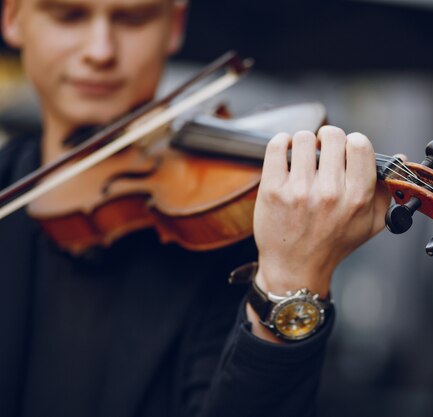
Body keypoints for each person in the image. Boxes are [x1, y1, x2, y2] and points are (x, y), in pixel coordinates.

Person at [0, 0, 391, 416]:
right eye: (68, 15)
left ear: (175, 25)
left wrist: (290, 282)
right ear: (12, 19)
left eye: (133, 18)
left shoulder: (235, 241)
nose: (101, 51)